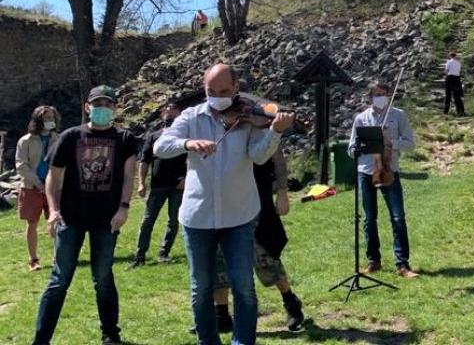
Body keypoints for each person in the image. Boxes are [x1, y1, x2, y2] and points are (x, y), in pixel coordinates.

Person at [155, 63, 293, 345]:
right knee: (201, 287)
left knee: (243, 285)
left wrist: (275, 132)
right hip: (198, 217)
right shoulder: (191, 117)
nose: (218, 96)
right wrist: (187, 144)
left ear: (236, 89)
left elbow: (258, 156)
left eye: (225, 91)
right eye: (211, 91)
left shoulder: (248, 118)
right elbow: (161, 146)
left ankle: (242, 341)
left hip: (240, 215)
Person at [32, 86, 138, 345]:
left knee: (103, 277)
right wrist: (53, 210)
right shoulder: (70, 137)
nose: (102, 107)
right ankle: (41, 340)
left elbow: (128, 176)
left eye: (107, 103)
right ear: (87, 107)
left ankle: (110, 334)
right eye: (97, 103)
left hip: (106, 218)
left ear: (114, 108)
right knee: (59, 280)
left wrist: (124, 207)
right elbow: (52, 177)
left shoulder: (124, 138)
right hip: (71, 217)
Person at [208, 146, 304, 333]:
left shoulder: (255, 124)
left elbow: (277, 157)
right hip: (221, 207)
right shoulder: (212, 125)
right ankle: (222, 315)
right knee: (218, 261)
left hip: (255, 204)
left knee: (265, 257)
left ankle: (291, 302)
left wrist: (283, 192)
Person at [348, 82, 419, 278]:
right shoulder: (361, 119)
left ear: (388, 95)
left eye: (383, 94)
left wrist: (390, 143)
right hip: (366, 171)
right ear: (370, 97)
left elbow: (410, 143)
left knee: (398, 217)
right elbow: (351, 147)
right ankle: (374, 261)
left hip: (389, 171)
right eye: (376, 94)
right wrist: (360, 148)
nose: (380, 97)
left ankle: (402, 264)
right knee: (369, 219)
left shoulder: (398, 115)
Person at [131, 102, 185, 267]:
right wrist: (141, 183)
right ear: (162, 114)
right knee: (148, 220)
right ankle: (139, 257)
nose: (168, 111)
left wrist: (187, 178)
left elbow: (194, 158)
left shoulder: (185, 135)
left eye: (173, 108)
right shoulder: (154, 135)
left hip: (178, 186)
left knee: (174, 220)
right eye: (165, 109)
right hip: (158, 185)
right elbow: (144, 161)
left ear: (180, 112)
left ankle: (164, 253)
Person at [16, 106, 61, 271]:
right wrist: (38, 183)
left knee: (57, 223)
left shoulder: (59, 139)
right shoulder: (26, 141)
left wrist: (53, 183)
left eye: (52, 118)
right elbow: (21, 165)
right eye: (46, 118)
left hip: (54, 186)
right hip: (31, 187)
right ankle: (33, 260)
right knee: (32, 223)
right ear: (38, 120)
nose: (50, 121)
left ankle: (59, 257)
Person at [443, 51, 465, 116]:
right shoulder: (458, 63)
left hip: (450, 78)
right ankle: (460, 111)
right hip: (457, 79)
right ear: (455, 56)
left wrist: (445, 77)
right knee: (457, 96)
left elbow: (446, 71)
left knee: (448, 95)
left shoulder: (449, 62)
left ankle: (446, 112)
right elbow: (459, 71)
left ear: (450, 56)